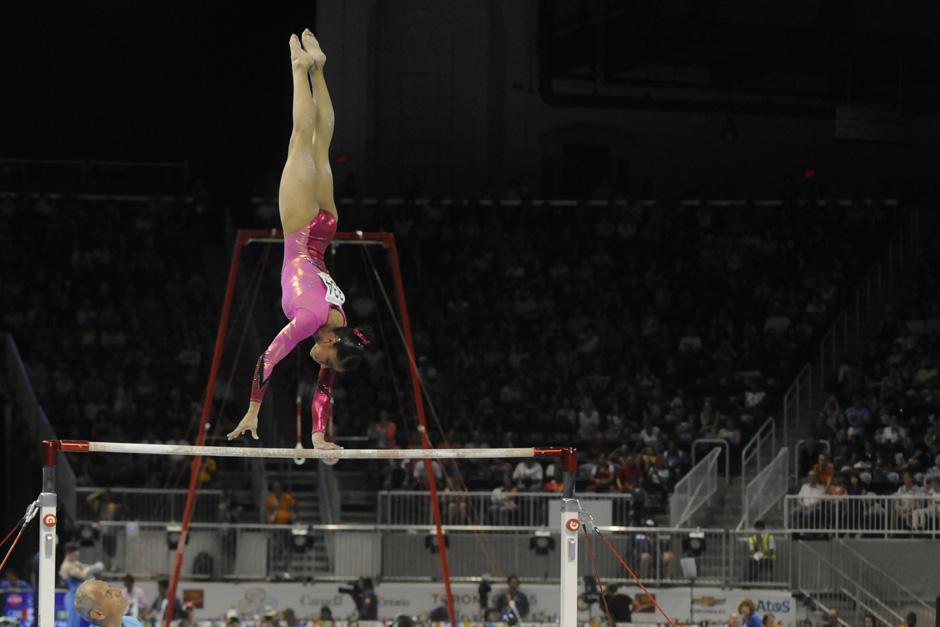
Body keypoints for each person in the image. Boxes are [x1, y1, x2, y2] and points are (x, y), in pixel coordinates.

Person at [227, 28, 373, 451]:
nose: (323, 368)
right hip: (303, 227)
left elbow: (324, 391)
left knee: (322, 144)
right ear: (329, 343)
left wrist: (318, 436)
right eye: (327, 361)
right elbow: (268, 357)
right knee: (301, 139)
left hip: (326, 228)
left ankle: (320, 69)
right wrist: (253, 409)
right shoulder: (311, 322)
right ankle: (299, 67)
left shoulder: (342, 326)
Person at [60, 542, 104, 627]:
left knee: (77, 621)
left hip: (78, 596)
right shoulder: (66, 566)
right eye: (76, 555)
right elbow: (82, 575)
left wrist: (91, 568)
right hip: (72, 596)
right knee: (73, 621)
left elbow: (85, 569)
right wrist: (94, 567)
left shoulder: (75, 563)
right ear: (71, 553)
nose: (77, 557)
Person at [73, 579, 142, 627]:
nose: (119, 591)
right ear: (98, 613)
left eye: (111, 587)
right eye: (108, 593)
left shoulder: (133, 622)